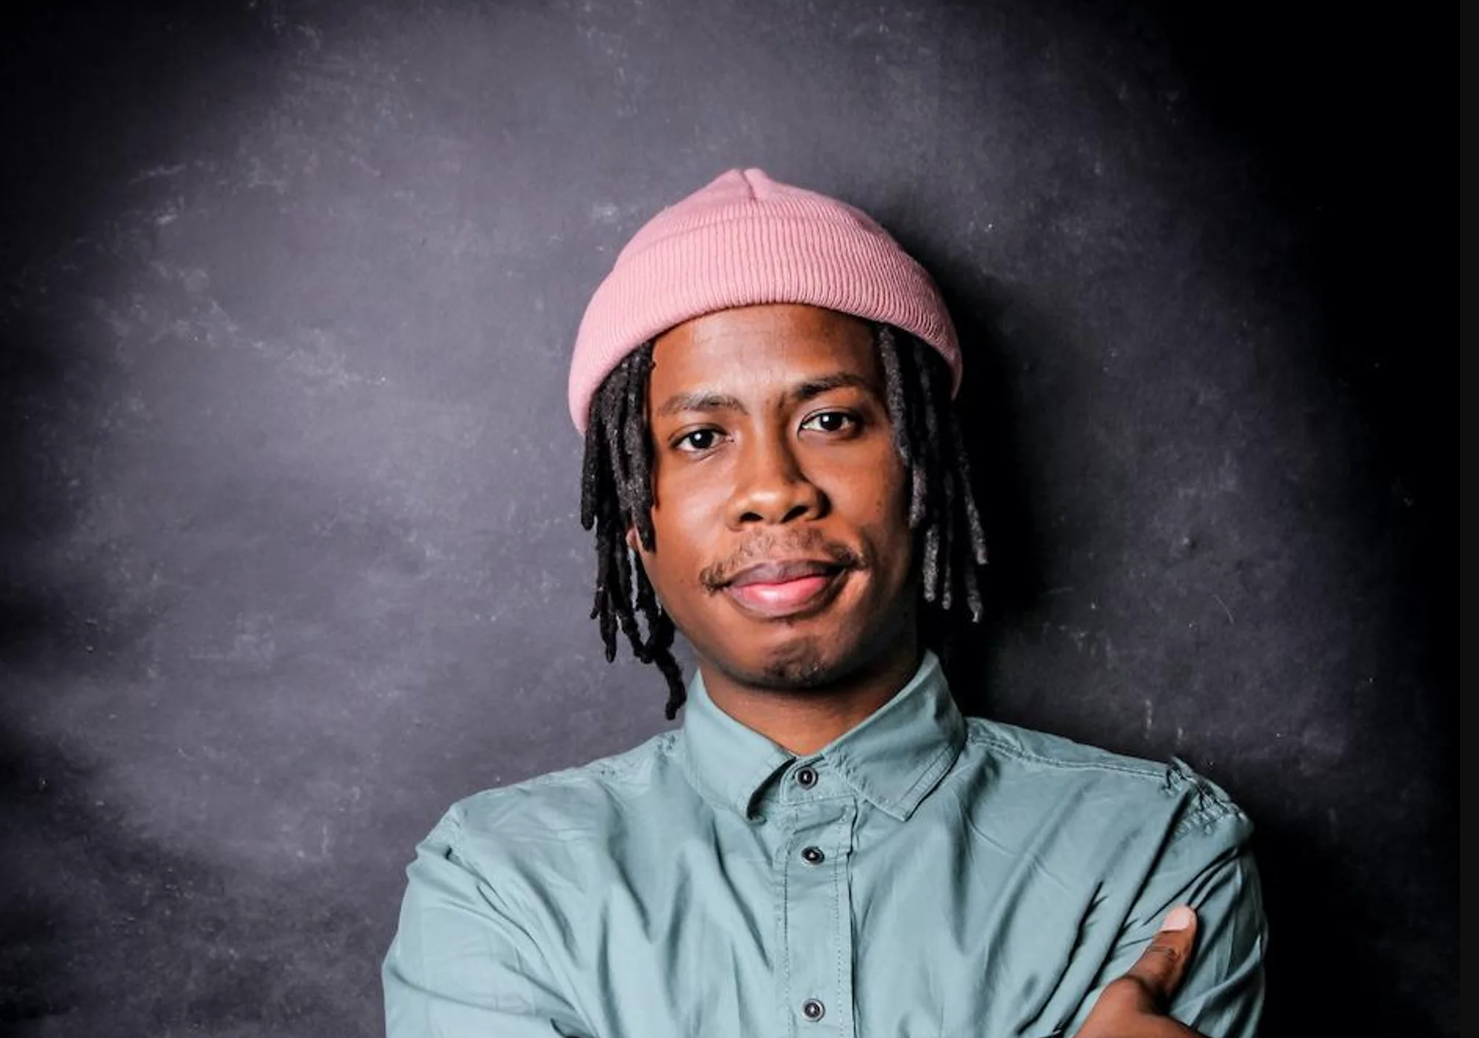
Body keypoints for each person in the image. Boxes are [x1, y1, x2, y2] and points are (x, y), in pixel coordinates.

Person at [382, 169, 1266, 1037]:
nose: (772, 490)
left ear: (928, 469)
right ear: (629, 520)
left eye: (830, 421)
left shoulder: (1153, 852)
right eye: (699, 438)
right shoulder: (498, 881)